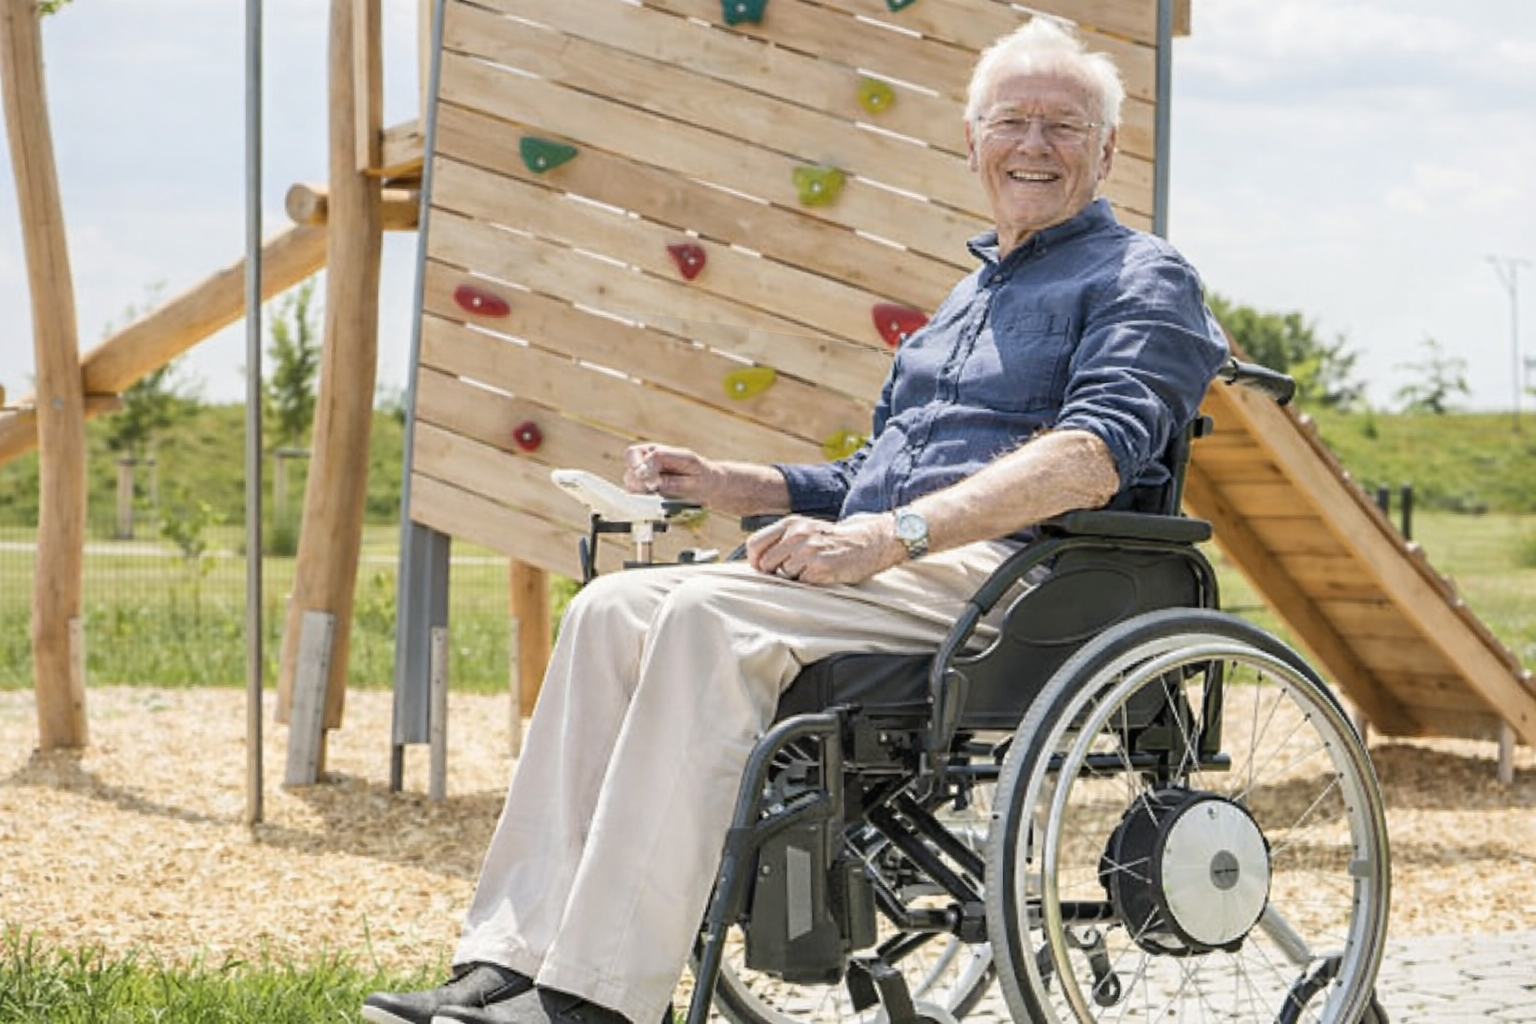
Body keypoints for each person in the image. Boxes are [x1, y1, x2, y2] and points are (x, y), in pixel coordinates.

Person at [363, 15, 1229, 1024]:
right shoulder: (966, 297)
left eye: (1064, 126)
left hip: (1011, 580)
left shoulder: (1140, 277)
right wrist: (735, 481)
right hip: (902, 565)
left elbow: (1091, 456)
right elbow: (874, 475)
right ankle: (512, 959)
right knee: (608, 608)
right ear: (970, 141)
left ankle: (595, 999)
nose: (1033, 145)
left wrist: (888, 536)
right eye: (1012, 122)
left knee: (706, 622)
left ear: (1109, 149)